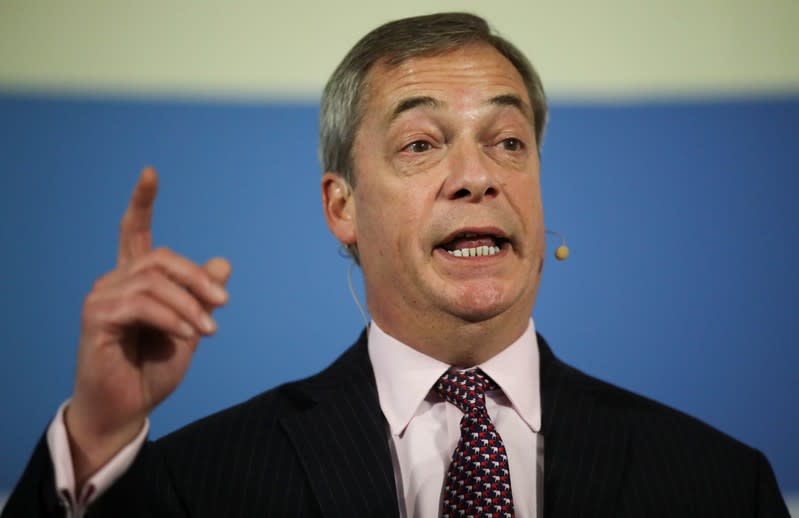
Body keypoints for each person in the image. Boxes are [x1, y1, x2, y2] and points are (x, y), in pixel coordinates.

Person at [2, 12, 789, 518]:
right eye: (420, 143)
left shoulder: (719, 486)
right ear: (341, 207)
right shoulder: (201, 486)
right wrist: (99, 434)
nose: (477, 174)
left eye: (508, 142)